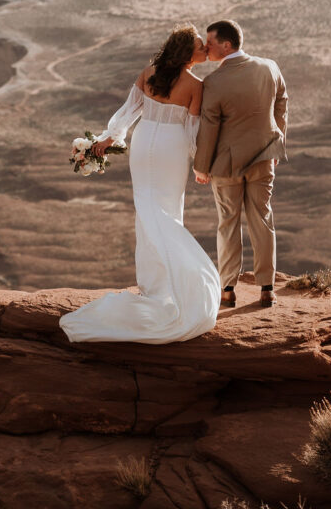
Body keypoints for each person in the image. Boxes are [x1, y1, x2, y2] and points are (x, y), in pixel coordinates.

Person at [59, 23, 221, 344]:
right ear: (188, 53)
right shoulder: (195, 85)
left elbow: (128, 112)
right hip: (170, 152)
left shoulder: (149, 72)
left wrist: (108, 138)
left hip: (143, 142)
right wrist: (202, 164)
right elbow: (192, 134)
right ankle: (181, 282)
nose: (205, 50)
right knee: (168, 212)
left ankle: (153, 286)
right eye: (200, 47)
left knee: (146, 211)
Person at [194, 19, 287, 309]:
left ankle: (228, 289)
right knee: (262, 219)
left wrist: (201, 166)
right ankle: (267, 288)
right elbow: (282, 100)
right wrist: (276, 140)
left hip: (226, 165)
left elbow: (209, 127)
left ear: (227, 44)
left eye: (210, 43)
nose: (206, 48)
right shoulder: (269, 67)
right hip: (263, 158)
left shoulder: (214, 82)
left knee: (228, 223)